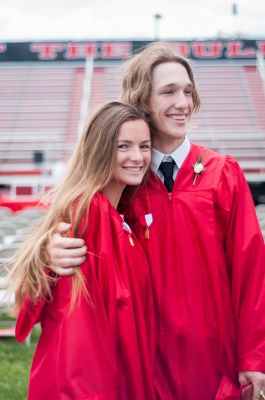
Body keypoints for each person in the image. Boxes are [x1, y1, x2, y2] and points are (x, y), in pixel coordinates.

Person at [46, 43, 265, 400]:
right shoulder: (123, 183)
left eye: (188, 91)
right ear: (142, 100)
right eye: (169, 92)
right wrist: (54, 250)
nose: (184, 103)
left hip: (215, 363)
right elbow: (87, 236)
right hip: (145, 364)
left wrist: (254, 355)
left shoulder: (223, 174)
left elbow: (252, 272)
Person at [10, 102, 156, 400]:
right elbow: (80, 325)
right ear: (100, 150)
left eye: (144, 146)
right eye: (123, 146)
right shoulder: (90, 213)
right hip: (86, 386)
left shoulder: (120, 217)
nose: (137, 157)